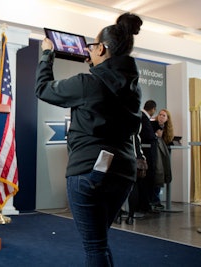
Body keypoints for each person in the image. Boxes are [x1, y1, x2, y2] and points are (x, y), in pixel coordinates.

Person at [35, 12, 143, 266]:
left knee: (95, 247)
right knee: (100, 242)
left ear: (102, 48)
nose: (89, 50)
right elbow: (106, 86)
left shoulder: (87, 83)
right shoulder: (134, 88)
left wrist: (47, 54)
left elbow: (42, 88)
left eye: (93, 46)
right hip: (124, 172)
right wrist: (96, 65)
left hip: (90, 172)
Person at [150, 108, 174, 209]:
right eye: (160, 114)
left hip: (163, 157)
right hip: (153, 156)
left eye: (164, 115)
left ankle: (156, 201)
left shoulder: (167, 129)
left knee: (160, 177)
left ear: (167, 118)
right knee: (156, 176)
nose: (161, 117)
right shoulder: (152, 124)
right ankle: (154, 201)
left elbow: (169, 141)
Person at [138, 100, 158, 213]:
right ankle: (145, 205)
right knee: (146, 180)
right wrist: (155, 135)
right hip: (147, 155)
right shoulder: (143, 117)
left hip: (145, 153)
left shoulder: (141, 117)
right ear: (153, 109)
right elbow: (148, 135)